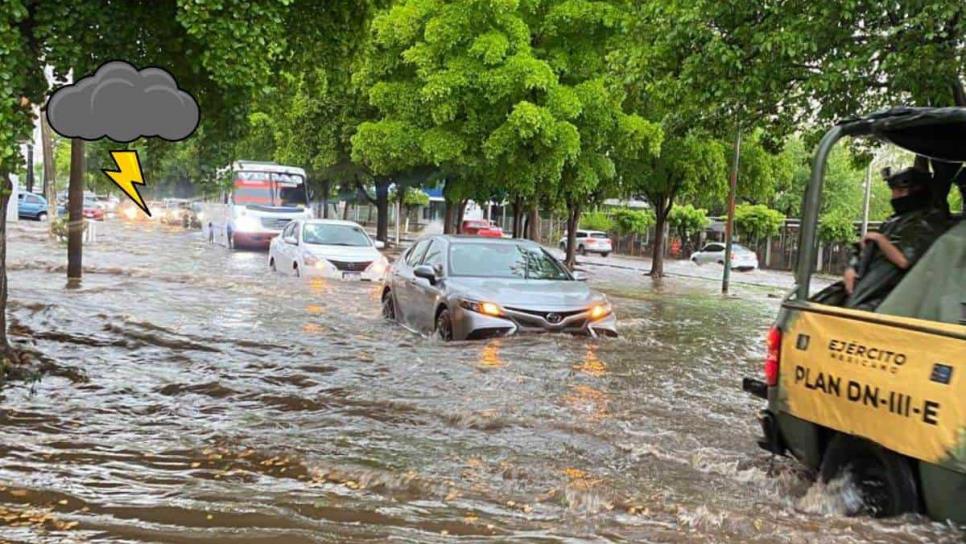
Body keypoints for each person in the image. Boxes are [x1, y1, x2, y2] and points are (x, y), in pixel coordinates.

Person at [843, 166, 947, 311]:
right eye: (893, 191)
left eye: (900, 191)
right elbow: (860, 248)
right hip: (869, 288)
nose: (894, 197)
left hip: (897, 295)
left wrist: (879, 239)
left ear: (917, 192)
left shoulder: (929, 221)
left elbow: (903, 260)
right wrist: (851, 268)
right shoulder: (894, 221)